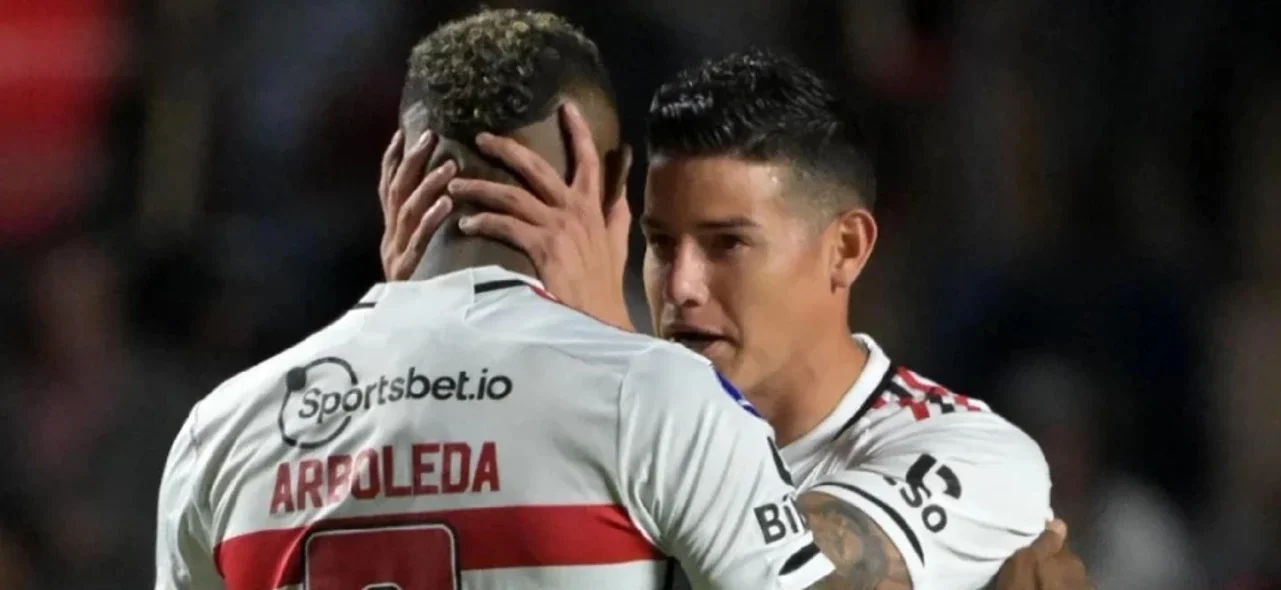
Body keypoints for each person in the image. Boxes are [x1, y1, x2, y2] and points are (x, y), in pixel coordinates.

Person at [154, 11, 838, 589]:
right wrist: (615, 342)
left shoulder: (219, 431)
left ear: (396, 178)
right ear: (614, 187)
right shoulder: (661, 401)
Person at [383, 48, 1093, 589]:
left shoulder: (971, 456)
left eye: (728, 245)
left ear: (843, 249)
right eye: (660, 244)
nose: (682, 285)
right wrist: (413, 331)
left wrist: (605, 359)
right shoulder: (591, 411)